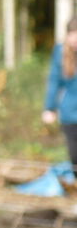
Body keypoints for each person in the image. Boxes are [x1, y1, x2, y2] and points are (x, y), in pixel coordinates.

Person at [43, 17, 77, 174]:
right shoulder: (60, 52)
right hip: (70, 114)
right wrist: (50, 108)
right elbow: (54, 81)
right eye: (72, 34)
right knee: (74, 155)